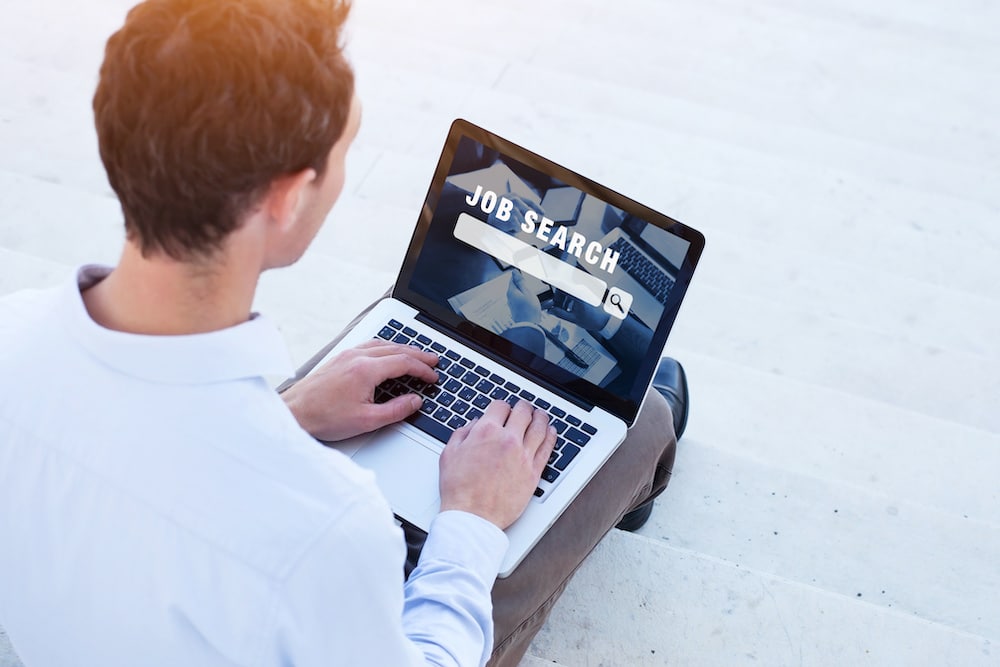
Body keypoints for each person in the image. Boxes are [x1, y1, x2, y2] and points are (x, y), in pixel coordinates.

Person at [0, 0, 688, 665]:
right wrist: (473, 522)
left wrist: (285, 415)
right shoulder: (327, 530)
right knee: (643, 421)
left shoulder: (11, 338)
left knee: (396, 319)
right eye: (344, 151)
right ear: (288, 196)